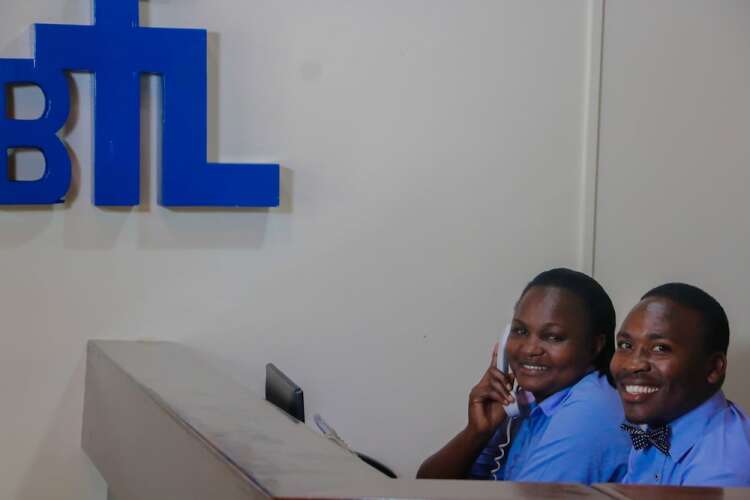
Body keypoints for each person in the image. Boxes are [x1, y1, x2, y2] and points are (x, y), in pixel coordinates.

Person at [416, 268, 629, 484]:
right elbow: (426, 486)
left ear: (595, 345)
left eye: (553, 337)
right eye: (520, 331)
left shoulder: (590, 409)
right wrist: (477, 432)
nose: (529, 349)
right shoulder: (530, 401)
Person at [611, 283, 750, 486]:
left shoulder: (721, 468)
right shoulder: (660, 420)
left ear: (713, 368)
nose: (633, 364)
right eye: (625, 345)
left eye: (660, 348)